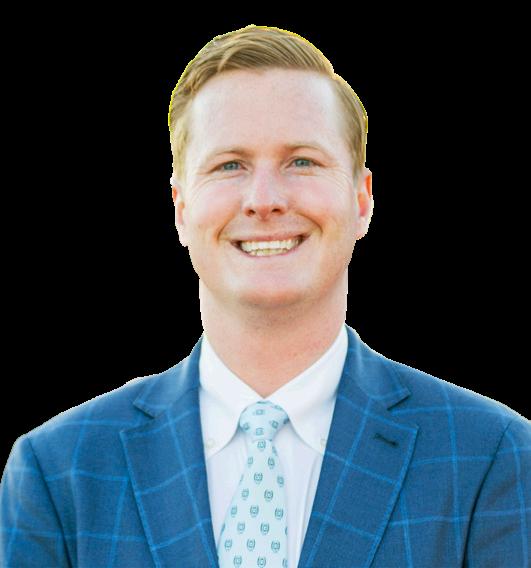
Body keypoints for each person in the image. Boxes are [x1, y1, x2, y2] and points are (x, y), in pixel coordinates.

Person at [1, 24, 530, 568]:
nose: (264, 199)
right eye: (229, 165)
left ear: (362, 201)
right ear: (181, 209)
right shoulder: (58, 471)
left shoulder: (489, 456)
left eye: (302, 161)